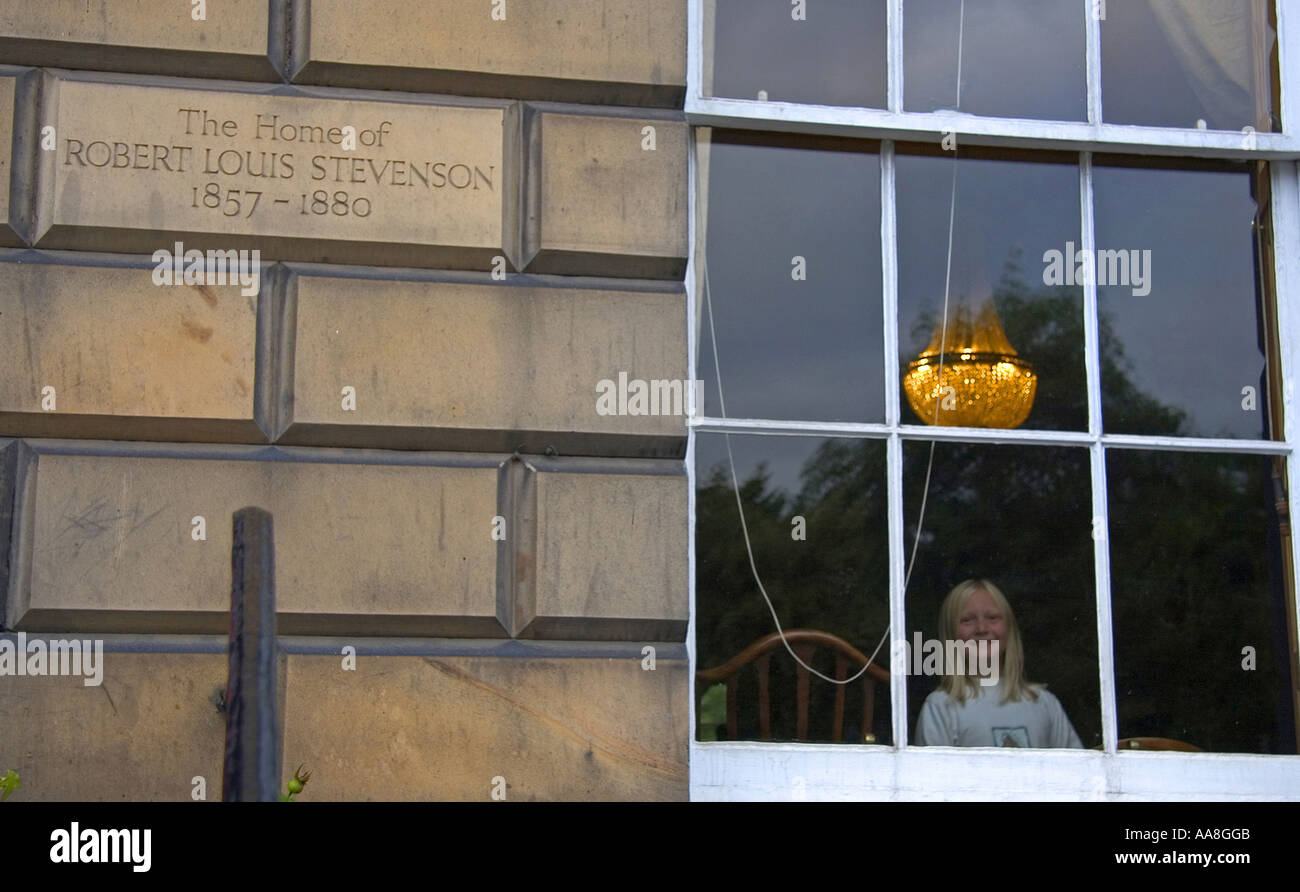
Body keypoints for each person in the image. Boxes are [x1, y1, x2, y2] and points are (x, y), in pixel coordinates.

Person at [915, 579, 1083, 748]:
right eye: (967, 620)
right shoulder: (941, 706)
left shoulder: (1044, 703)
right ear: (950, 634)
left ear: (1009, 628)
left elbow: (1079, 771)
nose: (981, 628)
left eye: (993, 618)